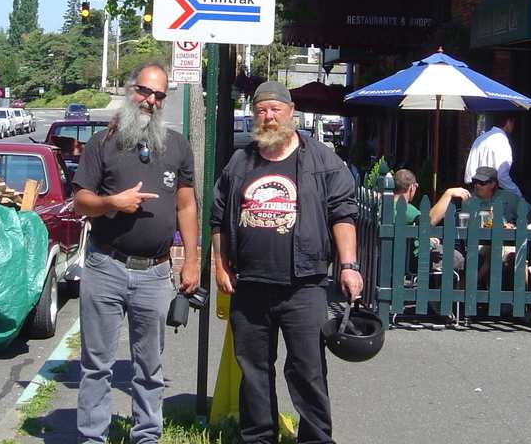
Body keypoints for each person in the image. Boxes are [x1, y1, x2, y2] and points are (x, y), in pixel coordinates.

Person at [211, 80, 362, 444]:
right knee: (254, 372)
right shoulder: (240, 162)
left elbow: (343, 214)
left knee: (308, 371)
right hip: (250, 286)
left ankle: (315, 438)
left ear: (290, 113)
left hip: (304, 286)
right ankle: (259, 437)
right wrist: (220, 264)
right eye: (261, 110)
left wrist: (349, 266)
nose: (268, 116)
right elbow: (218, 219)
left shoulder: (322, 160)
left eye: (275, 109)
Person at [72, 63, 199, 444]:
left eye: (159, 95)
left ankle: (146, 436)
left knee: (149, 366)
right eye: (145, 91)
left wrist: (191, 259)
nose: (151, 101)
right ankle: (93, 436)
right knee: (97, 364)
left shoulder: (175, 146)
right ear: (130, 91)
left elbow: (186, 205)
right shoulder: (102, 144)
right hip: (105, 266)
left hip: (155, 274)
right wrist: (113, 202)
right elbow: (80, 202)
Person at [464, 113, 523, 199]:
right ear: (508, 122)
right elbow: (502, 176)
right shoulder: (501, 141)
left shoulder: (480, 138)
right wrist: (517, 193)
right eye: (513, 123)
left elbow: (469, 173)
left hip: (474, 192)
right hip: (491, 195)